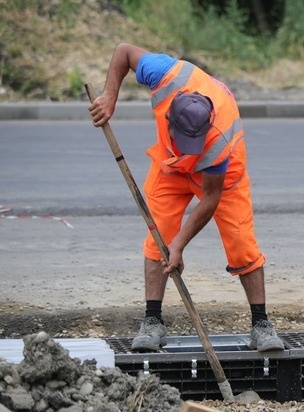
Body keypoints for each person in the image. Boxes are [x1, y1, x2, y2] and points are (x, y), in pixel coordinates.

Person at [88, 43, 284, 352]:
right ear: (169, 118)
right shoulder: (164, 74)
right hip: (170, 169)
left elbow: (209, 199)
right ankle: (152, 320)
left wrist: (179, 245)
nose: (187, 146)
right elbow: (124, 52)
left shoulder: (218, 139)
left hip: (222, 179)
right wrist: (110, 96)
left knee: (241, 243)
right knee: (158, 237)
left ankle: (261, 324)